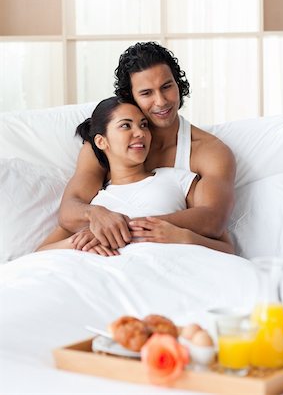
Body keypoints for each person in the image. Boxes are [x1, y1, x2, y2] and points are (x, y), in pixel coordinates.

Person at [58, 42, 236, 252]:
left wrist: (127, 228)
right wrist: (95, 214)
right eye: (146, 93)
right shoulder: (106, 146)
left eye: (167, 87)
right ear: (130, 97)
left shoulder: (209, 152)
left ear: (179, 85)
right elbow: (69, 211)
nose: (160, 102)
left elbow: (213, 220)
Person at [37, 98, 233, 255]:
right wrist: (78, 243)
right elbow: (39, 254)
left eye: (144, 125)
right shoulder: (97, 202)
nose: (140, 133)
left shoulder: (179, 180)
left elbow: (227, 249)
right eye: (126, 126)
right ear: (101, 141)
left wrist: (183, 237)